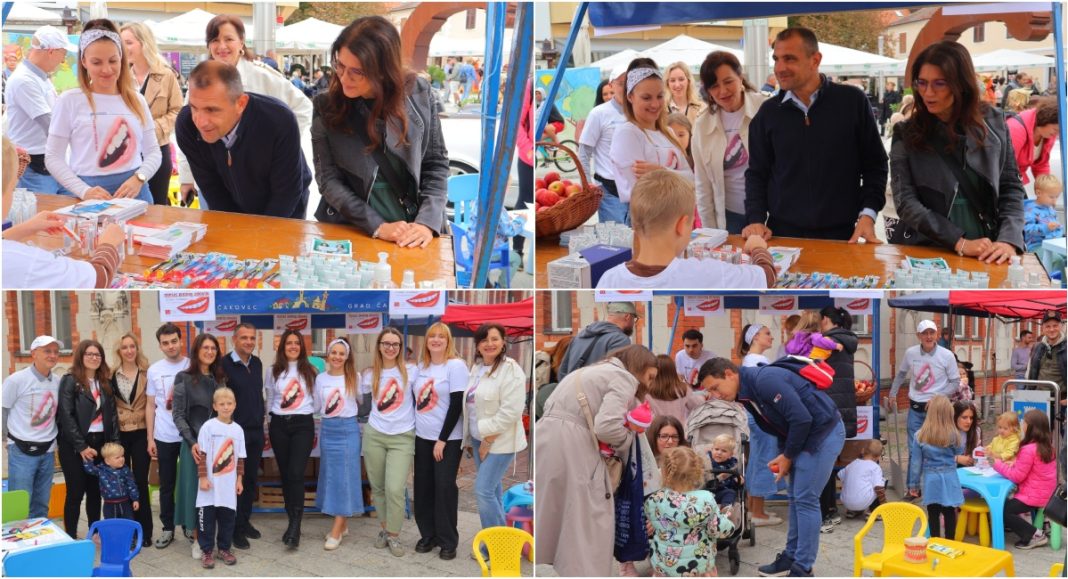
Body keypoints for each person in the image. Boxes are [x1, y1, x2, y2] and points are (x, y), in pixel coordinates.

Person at [700, 357, 845, 577]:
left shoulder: (764, 381)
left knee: (806, 499)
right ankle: (791, 557)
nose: (715, 395)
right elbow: (779, 425)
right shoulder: (746, 392)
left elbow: (801, 419)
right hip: (806, 435)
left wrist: (787, 456)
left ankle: (803, 567)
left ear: (729, 374)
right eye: (710, 391)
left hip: (823, 434)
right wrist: (784, 455)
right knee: (796, 497)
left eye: (715, 387)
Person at [312, 16, 448, 247]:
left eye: (357, 71)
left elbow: (435, 164)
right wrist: (377, 226)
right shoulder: (326, 106)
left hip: (416, 230)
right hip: (356, 228)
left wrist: (426, 223)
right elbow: (328, 180)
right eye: (340, 65)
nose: (344, 78)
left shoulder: (419, 93)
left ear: (383, 71)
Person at [744, 27, 887, 242]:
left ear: (815, 60)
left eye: (789, 58)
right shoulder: (768, 113)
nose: (780, 68)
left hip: (841, 235)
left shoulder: (852, 102)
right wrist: (755, 218)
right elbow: (757, 173)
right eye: (776, 59)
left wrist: (868, 214)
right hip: (782, 236)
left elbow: (875, 165)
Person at [890, 41, 1025, 261]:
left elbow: (1011, 187)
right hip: (930, 250)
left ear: (961, 84)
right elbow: (905, 201)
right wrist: (959, 242)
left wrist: (1008, 240)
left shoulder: (994, 124)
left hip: (988, 248)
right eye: (922, 83)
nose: (928, 92)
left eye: (939, 83)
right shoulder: (906, 133)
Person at [536, 345, 659, 577]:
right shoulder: (624, 378)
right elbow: (607, 427)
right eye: (650, 377)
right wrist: (628, 437)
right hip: (576, 445)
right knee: (589, 520)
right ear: (640, 367)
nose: (650, 384)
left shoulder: (585, 372)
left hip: (547, 440)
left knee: (560, 512)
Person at [177, 15, 312, 205]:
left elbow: (303, 107)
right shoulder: (201, 80)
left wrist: (278, 145)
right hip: (218, 180)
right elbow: (191, 131)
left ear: (241, 42)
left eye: (228, 39)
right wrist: (186, 178)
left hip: (267, 183)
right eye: (215, 40)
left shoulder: (262, 75)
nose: (222, 46)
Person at [175, 61, 311, 218]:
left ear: (241, 103)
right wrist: (234, 227)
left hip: (285, 207)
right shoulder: (187, 125)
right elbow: (212, 188)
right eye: (194, 108)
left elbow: (286, 193)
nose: (200, 122)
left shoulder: (278, 121)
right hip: (232, 200)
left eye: (211, 110)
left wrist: (262, 232)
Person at [596, 170, 776, 289]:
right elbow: (767, 277)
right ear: (681, 225)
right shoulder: (707, 273)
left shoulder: (609, 280)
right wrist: (757, 247)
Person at [45, 19, 159, 203]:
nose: (106, 69)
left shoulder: (137, 100)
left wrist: (139, 178)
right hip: (89, 196)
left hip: (136, 195)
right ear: (84, 61)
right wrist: (84, 190)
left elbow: (153, 151)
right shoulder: (69, 101)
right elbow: (52, 157)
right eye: (96, 62)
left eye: (113, 61)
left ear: (121, 58)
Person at [692, 51, 767, 233]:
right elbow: (703, 185)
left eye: (728, 82)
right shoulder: (702, 125)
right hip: (729, 217)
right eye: (714, 86)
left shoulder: (765, 109)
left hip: (770, 213)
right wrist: (710, 232)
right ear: (708, 91)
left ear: (740, 78)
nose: (723, 91)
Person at [609, 60, 693, 223]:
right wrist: (675, 176)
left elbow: (692, 179)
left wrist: (660, 172)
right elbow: (644, 193)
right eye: (646, 97)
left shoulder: (668, 132)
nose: (655, 104)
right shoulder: (627, 133)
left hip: (676, 218)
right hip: (648, 220)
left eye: (660, 96)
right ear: (630, 96)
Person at [887, 319, 960, 501]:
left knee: (939, 447)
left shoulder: (947, 355)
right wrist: (893, 393)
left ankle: (940, 486)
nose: (928, 336)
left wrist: (938, 398)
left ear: (936, 334)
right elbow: (901, 374)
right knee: (914, 449)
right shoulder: (911, 353)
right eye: (924, 333)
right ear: (918, 335)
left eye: (931, 332)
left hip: (937, 411)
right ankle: (913, 489)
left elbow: (955, 382)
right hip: (915, 408)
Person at [412, 323, 468, 560]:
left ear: (448, 341)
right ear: (426, 341)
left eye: (441, 337)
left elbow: (456, 405)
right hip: (422, 437)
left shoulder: (456, 366)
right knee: (423, 487)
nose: (436, 340)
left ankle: (448, 540)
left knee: (444, 487)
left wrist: (442, 439)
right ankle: (428, 535)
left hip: (448, 439)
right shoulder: (421, 367)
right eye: (431, 336)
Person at [465, 324, 528, 531]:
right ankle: (502, 538)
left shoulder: (511, 370)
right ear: (477, 345)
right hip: (477, 438)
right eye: (484, 340)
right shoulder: (477, 368)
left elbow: (511, 412)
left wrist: (488, 440)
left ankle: (495, 542)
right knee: (492, 490)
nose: (489, 344)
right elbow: (471, 406)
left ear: (503, 342)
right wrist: (471, 438)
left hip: (499, 441)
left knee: (483, 490)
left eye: (494, 339)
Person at [361, 327, 418, 557]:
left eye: (395, 344)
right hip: (375, 434)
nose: (391, 348)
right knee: (378, 487)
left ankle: (394, 534)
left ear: (401, 347)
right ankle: (385, 529)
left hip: (402, 437)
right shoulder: (369, 374)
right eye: (386, 343)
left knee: (395, 488)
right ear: (379, 346)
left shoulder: (412, 371)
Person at [57, 339, 120, 538]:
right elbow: (66, 416)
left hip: (100, 443)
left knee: (95, 491)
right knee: (75, 492)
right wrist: (82, 446)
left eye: (97, 354)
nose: (94, 358)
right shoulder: (70, 381)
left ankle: (94, 532)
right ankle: (70, 535)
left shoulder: (105, 383)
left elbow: (113, 416)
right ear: (81, 356)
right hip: (74, 445)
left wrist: (114, 445)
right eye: (89, 354)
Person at [172, 333, 226, 559]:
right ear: (196, 351)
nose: (210, 352)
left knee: (215, 492)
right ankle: (196, 539)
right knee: (195, 492)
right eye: (206, 348)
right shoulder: (183, 378)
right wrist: (192, 442)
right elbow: (178, 415)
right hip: (193, 446)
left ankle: (213, 537)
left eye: (213, 348)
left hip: (218, 446)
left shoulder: (220, 379)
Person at [4, 26, 76, 194]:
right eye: (63, 54)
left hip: (50, 162)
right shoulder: (24, 80)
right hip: (35, 168)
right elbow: (50, 123)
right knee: (44, 209)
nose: (63, 61)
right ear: (51, 51)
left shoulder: (40, 77)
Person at [644, 446, 735, 577]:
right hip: (698, 567)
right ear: (698, 473)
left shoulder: (655, 500)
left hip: (664, 567)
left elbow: (656, 524)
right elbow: (716, 529)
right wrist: (728, 523)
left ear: (664, 472)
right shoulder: (705, 499)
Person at [265, 329, 317, 549]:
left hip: (303, 425)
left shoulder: (310, 371)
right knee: (286, 474)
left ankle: (295, 525)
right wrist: (269, 423)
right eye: (289, 343)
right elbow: (270, 398)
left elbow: (317, 399)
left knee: (296, 473)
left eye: (297, 343)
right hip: (279, 425)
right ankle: (291, 521)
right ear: (282, 347)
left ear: (302, 346)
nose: (293, 346)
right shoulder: (273, 370)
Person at [119, 23, 182, 206]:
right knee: (128, 205)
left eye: (129, 42)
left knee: (157, 205)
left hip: (158, 149)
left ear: (144, 43)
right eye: (121, 43)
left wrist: (152, 129)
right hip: (127, 153)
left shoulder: (166, 75)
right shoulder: (120, 77)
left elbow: (177, 111)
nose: (124, 48)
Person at [311, 336, 364, 551]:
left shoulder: (355, 377)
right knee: (332, 477)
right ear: (328, 354)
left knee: (345, 478)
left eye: (342, 354)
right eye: (334, 352)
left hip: (348, 429)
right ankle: (343, 524)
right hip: (328, 430)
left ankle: (336, 530)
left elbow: (361, 401)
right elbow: (316, 405)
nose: (337, 357)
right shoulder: (320, 379)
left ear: (347, 356)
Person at [2, 335, 63, 519]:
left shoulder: (58, 381)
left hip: (48, 451)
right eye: (47, 351)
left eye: (55, 352)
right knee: (19, 504)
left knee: (41, 504)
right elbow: (3, 409)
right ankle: (16, 537)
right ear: (34, 354)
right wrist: (5, 440)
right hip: (21, 451)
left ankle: (38, 535)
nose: (52, 355)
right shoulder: (16, 380)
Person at [219, 323, 264, 550]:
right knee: (234, 481)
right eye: (244, 337)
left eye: (252, 338)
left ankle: (244, 522)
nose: (249, 342)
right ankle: (234, 529)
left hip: (256, 431)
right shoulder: (224, 364)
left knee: (250, 480)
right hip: (235, 433)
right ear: (234, 339)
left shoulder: (257, 363)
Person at [735, 324, 784, 527]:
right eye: (767, 333)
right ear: (755, 337)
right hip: (762, 415)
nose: (771, 337)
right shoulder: (758, 361)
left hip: (754, 414)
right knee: (766, 459)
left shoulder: (750, 360)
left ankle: (754, 509)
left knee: (757, 459)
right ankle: (758, 513)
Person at [815, 306, 859, 533]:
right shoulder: (847, 341)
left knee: (822, 464)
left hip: (827, 408)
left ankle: (825, 513)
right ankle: (830, 510)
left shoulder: (827, 342)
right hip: (841, 410)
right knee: (829, 463)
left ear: (825, 319)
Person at [145, 323, 189, 549]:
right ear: (160, 346)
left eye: (174, 341)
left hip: (188, 436)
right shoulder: (154, 370)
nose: (171, 346)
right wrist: (150, 438)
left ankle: (189, 525)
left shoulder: (191, 365)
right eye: (165, 343)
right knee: (167, 484)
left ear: (180, 341)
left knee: (189, 483)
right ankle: (168, 528)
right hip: (164, 435)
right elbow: (150, 405)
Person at [195, 387, 246, 568]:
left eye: (229, 403)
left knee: (227, 519)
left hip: (228, 486)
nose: (226, 407)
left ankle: (224, 548)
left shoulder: (238, 430)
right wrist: (203, 478)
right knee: (206, 520)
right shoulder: (208, 427)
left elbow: (240, 458)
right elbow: (202, 455)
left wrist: (239, 480)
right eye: (222, 404)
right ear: (215, 406)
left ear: (235, 405)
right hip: (209, 484)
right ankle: (207, 550)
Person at [110, 332, 153, 546]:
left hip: (141, 432)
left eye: (132, 346)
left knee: (140, 481)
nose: (129, 350)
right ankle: (127, 530)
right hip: (120, 434)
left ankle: (145, 531)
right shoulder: (111, 375)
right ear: (119, 351)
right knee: (121, 483)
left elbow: (151, 405)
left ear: (137, 348)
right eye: (124, 347)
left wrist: (151, 438)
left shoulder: (147, 373)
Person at [993, 409, 1058, 549]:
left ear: (1030, 427)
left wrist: (998, 465)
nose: (1022, 425)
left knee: (1003, 509)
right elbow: (1034, 469)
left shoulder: (1028, 449)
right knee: (1007, 505)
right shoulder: (1048, 447)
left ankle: (1035, 535)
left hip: (1034, 496)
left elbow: (1017, 476)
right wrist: (1015, 463)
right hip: (1047, 493)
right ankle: (1026, 526)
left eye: (1024, 422)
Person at [579, 64, 629, 223]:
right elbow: (584, 152)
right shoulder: (599, 113)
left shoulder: (640, 111)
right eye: (621, 83)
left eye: (629, 83)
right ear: (611, 85)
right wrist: (587, 184)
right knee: (614, 237)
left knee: (637, 236)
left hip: (637, 190)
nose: (625, 88)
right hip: (609, 191)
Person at [916, 395, 964, 539]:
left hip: (931, 478)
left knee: (933, 512)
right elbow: (959, 451)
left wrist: (913, 484)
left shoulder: (920, 435)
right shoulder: (954, 434)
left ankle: (935, 541)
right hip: (949, 477)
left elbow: (916, 462)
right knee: (949, 511)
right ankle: (950, 541)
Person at [557, 302, 636, 381]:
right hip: (599, 388)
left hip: (573, 386)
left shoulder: (579, 336)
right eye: (634, 319)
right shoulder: (620, 339)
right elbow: (618, 375)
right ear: (627, 316)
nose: (633, 323)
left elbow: (562, 371)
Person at [1007, 97, 1059, 186]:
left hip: (1014, 180)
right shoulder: (1015, 129)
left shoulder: (1047, 134)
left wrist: (1046, 187)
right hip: (1005, 181)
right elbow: (1006, 167)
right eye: (1056, 130)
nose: (1057, 135)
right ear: (1046, 119)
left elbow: (1041, 164)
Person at [82, 442, 139, 521]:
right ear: (107, 461)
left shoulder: (126, 470)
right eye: (117, 457)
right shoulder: (101, 470)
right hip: (109, 505)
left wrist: (135, 499)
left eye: (122, 456)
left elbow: (131, 485)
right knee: (111, 523)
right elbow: (89, 469)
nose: (122, 459)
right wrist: (88, 458)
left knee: (128, 522)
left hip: (125, 504)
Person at [647, 355, 703, 428]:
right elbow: (696, 404)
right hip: (678, 430)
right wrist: (703, 397)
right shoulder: (683, 389)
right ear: (673, 370)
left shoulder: (647, 391)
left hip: (656, 430)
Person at [1027, 310, 1065, 413]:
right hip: (1039, 399)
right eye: (1048, 326)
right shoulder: (1037, 347)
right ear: (1043, 328)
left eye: (1055, 326)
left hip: (1061, 401)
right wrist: (1028, 394)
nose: (1051, 329)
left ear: (1061, 326)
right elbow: (1031, 373)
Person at [837, 440, 886, 518]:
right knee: (882, 481)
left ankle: (852, 511)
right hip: (862, 502)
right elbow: (878, 488)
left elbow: (839, 476)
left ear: (863, 451)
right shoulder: (875, 467)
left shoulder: (853, 463)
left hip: (846, 502)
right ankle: (874, 511)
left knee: (859, 482)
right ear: (878, 456)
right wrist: (884, 505)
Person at [1024, 174, 1064, 252]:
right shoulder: (1030, 210)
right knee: (1056, 258)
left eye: (1057, 197)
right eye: (1051, 197)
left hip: (1053, 243)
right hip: (1037, 246)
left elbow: (1057, 226)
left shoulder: (1050, 208)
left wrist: (1060, 231)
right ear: (1038, 193)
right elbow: (1027, 229)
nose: (1055, 200)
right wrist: (1046, 228)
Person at [707, 433, 742, 508]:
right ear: (712, 449)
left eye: (724, 451)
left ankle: (725, 508)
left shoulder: (731, 465)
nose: (719, 453)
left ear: (730, 455)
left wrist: (737, 480)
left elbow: (733, 484)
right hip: (706, 492)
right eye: (716, 449)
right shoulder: (706, 461)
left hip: (721, 493)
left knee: (731, 492)